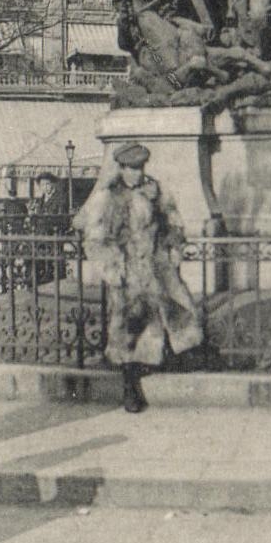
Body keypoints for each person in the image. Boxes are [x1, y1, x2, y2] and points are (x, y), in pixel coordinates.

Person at [74, 142, 201, 413]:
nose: (136, 173)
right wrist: (112, 268)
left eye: (140, 168)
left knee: (173, 314)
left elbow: (173, 223)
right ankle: (129, 385)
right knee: (128, 327)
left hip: (157, 267)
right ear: (120, 169)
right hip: (127, 270)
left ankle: (168, 359)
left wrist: (172, 248)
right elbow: (95, 238)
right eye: (131, 169)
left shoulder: (155, 191)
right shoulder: (108, 197)